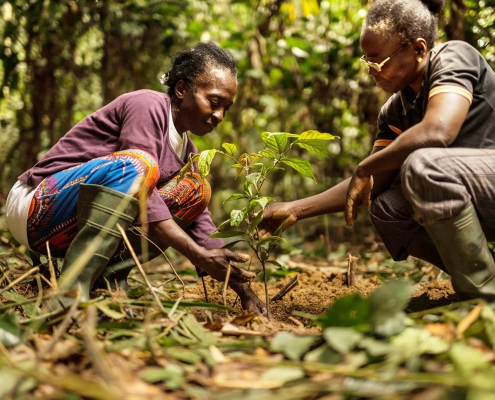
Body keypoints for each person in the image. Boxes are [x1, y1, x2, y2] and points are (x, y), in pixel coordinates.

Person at [6, 42, 267, 315]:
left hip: (64, 232)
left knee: (195, 190)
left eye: (227, 108)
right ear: (181, 89)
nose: (219, 116)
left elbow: (201, 224)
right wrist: (194, 253)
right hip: (35, 208)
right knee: (138, 166)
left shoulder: (189, 151)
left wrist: (244, 292)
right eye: (213, 103)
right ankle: (70, 292)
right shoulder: (148, 105)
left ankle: (106, 279)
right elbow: (140, 182)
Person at [259, 0, 495, 302]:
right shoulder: (395, 111)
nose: (371, 70)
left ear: (418, 49)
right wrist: (296, 209)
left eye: (378, 60)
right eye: (367, 61)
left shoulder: (454, 57)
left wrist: (364, 167)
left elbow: (438, 131)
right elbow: (370, 184)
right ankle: (485, 278)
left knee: (424, 166)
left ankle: (483, 295)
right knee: (386, 209)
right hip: (470, 200)